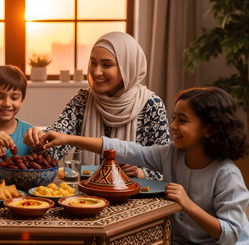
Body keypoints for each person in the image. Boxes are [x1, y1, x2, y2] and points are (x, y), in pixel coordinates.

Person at [39, 87, 249, 244]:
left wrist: (188, 204)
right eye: (174, 118)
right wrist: (67, 139)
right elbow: (124, 149)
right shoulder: (170, 154)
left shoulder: (227, 175)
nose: (173, 126)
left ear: (209, 129)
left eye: (182, 121)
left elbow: (230, 235)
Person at [24, 31, 170, 180]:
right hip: (87, 196)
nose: (96, 71)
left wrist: (142, 173)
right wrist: (40, 141)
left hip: (137, 195)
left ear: (128, 67)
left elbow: (167, 162)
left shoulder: (151, 106)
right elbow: (57, 142)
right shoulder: (82, 100)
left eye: (107, 65)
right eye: (93, 62)